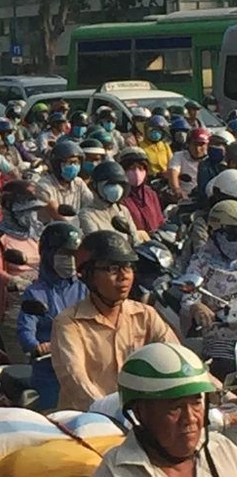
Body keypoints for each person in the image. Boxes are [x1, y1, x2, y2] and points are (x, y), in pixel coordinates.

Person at [50, 230, 180, 411]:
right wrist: (113, 412)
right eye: (112, 269)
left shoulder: (146, 315)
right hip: (87, 420)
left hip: (138, 419)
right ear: (87, 275)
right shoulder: (68, 323)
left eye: (128, 267)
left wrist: (213, 388)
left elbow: (178, 357)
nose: (124, 275)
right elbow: (75, 379)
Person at [95, 342, 237, 476]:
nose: (190, 418)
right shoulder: (115, 471)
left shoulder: (223, 449)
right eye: (175, 407)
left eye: (196, 403)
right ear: (139, 412)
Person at [15, 222, 88, 409]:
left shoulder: (85, 287)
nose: (70, 260)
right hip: (50, 373)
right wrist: (37, 347)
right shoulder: (35, 293)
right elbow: (25, 330)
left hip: (86, 366)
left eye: (74, 254)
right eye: (65, 254)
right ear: (48, 254)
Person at [0, 180, 44, 364]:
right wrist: (16, 281)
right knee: (24, 366)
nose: (30, 215)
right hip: (15, 305)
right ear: (10, 210)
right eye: (25, 211)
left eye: (33, 210)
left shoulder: (39, 232)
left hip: (44, 298)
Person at [182, 199, 237, 380]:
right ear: (215, 232)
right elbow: (189, 292)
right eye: (232, 234)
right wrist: (197, 307)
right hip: (220, 337)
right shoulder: (201, 261)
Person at [79, 160, 146, 244]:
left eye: (119, 184)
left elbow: (135, 239)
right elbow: (97, 243)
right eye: (111, 184)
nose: (116, 188)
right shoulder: (86, 214)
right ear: (95, 185)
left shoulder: (123, 210)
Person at [37, 140, 93, 223]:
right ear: (57, 165)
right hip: (53, 228)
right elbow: (55, 213)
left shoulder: (78, 182)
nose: (74, 166)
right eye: (70, 163)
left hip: (75, 227)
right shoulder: (44, 186)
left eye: (76, 163)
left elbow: (91, 204)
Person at [118, 147, 165, 234]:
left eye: (140, 168)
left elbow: (160, 221)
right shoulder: (119, 197)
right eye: (131, 168)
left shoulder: (151, 194)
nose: (136, 173)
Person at [168, 126, 209, 200]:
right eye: (195, 144)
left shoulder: (210, 160)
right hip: (184, 197)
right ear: (188, 144)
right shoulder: (179, 156)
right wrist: (177, 190)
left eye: (201, 145)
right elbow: (173, 174)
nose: (198, 149)